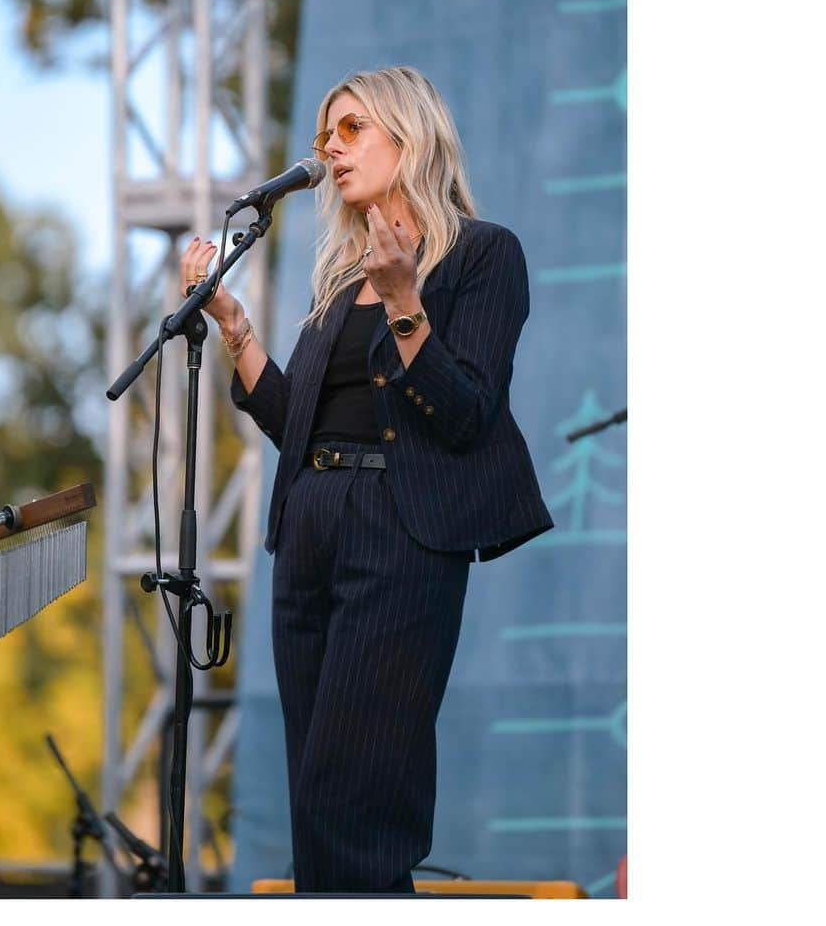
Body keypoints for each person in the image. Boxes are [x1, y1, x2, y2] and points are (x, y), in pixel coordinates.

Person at [179, 66, 553, 893]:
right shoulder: (341, 280)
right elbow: (299, 429)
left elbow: (465, 413)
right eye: (324, 135)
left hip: (401, 529)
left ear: (407, 134)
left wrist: (405, 303)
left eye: (350, 129)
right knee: (316, 793)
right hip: (310, 524)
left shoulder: (484, 255)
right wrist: (236, 329)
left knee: (361, 796)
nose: (329, 149)